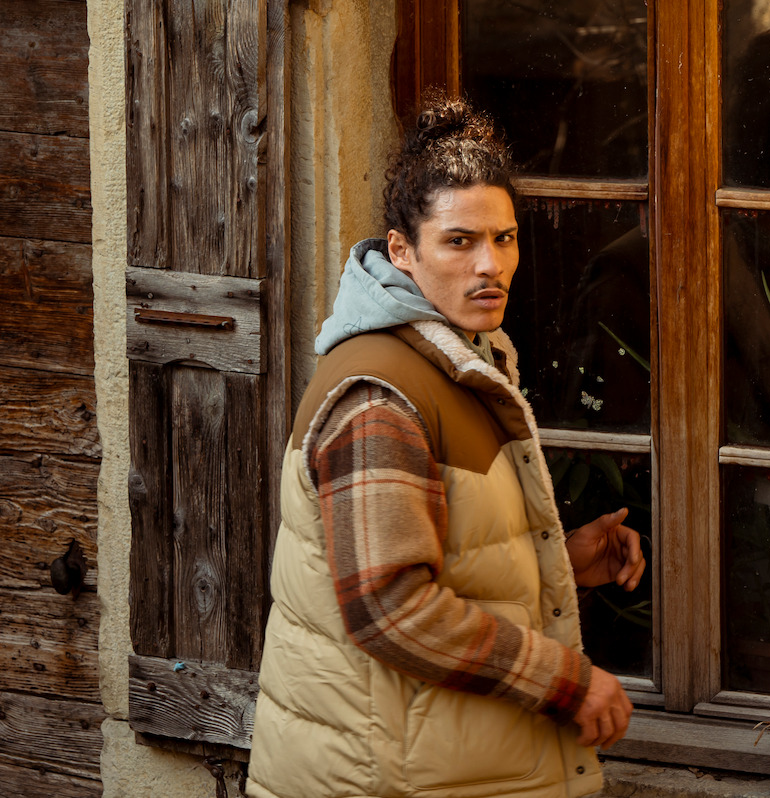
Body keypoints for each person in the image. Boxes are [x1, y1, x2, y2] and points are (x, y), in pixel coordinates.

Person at [246, 92, 644, 798]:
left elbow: (441, 552)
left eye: (505, 238)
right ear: (402, 251)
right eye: (459, 241)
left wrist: (559, 558)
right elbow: (391, 607)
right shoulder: (381, 394)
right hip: (382, 778)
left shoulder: (455, 359)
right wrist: (568, 680)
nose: (489, 265)